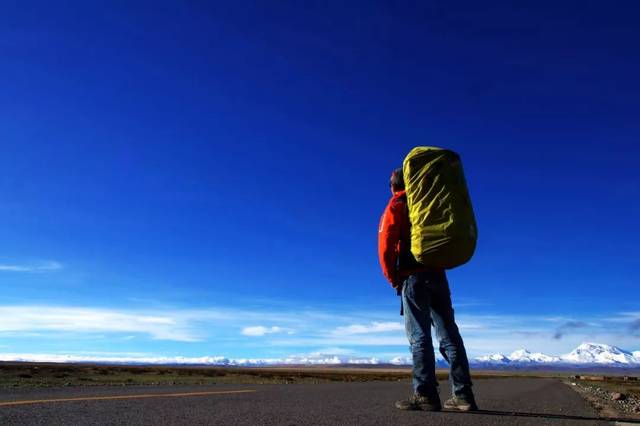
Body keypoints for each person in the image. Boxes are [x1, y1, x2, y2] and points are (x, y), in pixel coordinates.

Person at [378, 168, 478, 412]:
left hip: (412, 278)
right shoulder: (431, 204)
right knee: (450, 336)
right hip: (438, 276)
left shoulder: (397, 204)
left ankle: (425, 395)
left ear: (393, 186)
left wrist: (393, 278)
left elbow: (386, 243)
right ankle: (463, 396)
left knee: (419, 337)